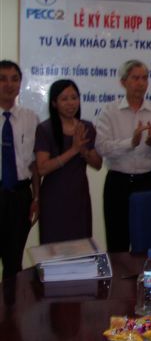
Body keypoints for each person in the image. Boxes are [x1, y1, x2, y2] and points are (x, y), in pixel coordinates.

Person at [96, 60, 151, 252]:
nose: (141, 83)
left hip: (147, 181)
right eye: (135, 78)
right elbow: (102, 147)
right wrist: (131, 143)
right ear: (123, 82)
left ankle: (148, 272)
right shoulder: (109, 112)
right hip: (118, 182)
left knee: (148, 240)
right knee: (117, 242)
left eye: (145, 78)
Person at [34, 79, 102, 244]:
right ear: (54, 103)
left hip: (79, 197)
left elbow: (98, 164)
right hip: (54, 198)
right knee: (53, 248)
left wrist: (84, 151)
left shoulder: (86, 127)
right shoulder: (45, 129)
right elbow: (42, 168)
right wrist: (73, 150)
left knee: (81, 247)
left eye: (74, 97)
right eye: (64, 99)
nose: (71, 103)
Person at [0, 60, 39, 280]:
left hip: (20, 196)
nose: (9, 84)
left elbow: (34, 164)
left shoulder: (30, 118)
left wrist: (36, 197)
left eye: (14, 79)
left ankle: (10, 302)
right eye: (2, 79)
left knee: (13, 261)